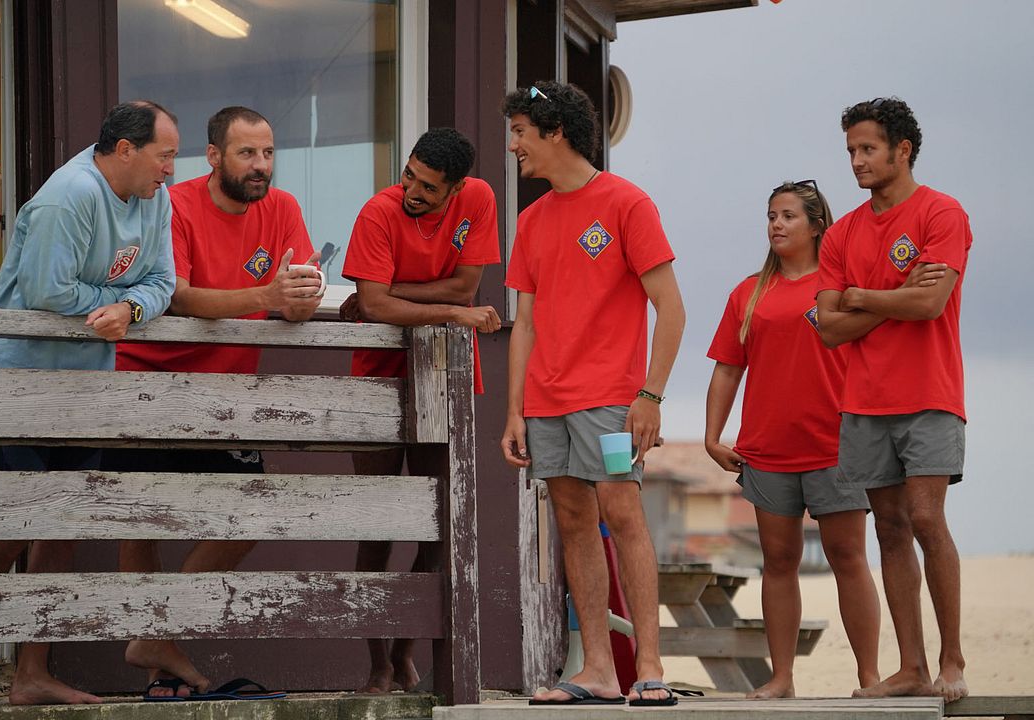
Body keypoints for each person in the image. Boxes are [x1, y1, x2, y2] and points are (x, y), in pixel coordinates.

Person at [0, 100, 179, 706]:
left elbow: (163, 281)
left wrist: (133, 309)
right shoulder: (71, 193)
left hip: (85, 384)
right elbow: (45, 290)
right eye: (164, 155)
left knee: (62, 526)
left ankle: (32, 673)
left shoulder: (156, 198)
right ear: (126, 149)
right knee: (14, 524)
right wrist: (117, 297)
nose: (170, 170)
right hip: (18, 378)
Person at [109, 106, 322, 699]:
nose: (261, 167)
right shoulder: (172, 204)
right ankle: (157, 671)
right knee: (143, 519)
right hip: (151, 379)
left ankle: (157, 633)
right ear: (213, 157)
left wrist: (302, 298)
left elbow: (292, 298)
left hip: (228, 391)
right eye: (247, 154)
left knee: (248, 514)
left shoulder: (283, 210)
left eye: (269, 153)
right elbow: (174, 295)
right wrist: (267, 293)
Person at [500, 81, 686, 707]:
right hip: (547, 404)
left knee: (622, 512)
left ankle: (650, 667)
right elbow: (522, 323)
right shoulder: (530, 219)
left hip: (611, 400)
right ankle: (600, 671)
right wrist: (515, 411)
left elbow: (672, 309)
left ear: (556, 131)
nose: (513, 144)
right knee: (574, 523)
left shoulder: (627, 204)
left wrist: (651, 396)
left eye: (522, 131)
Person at [816, 97, 972, 702]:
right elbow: (828, 328)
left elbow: (929, 305)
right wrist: (888, 295)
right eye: (851, 150)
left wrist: (860, 297)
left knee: (928, 518)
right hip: (863, 400)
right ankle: (910, 666)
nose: (856, 161)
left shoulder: (942, 213)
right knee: (889, 529)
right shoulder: (844, 233)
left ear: (902, 150)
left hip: (931, 393)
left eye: (868, 149)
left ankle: (951, 661)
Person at [339, 126, 501, 693]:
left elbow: (466, 284)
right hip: (375, 382)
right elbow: (382, 305)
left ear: (456, 188)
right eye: (410, 175)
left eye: (429, 188)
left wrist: (393, 293)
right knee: (377, 529)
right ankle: (377, 662)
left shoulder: (479, 198)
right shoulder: (376, 212)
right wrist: (450, 310)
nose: (412, 191)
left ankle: (406, 652)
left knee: (436, 530)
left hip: (444, 382)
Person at [705, 180, 881, 698]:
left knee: (848, 558)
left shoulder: (842, 285)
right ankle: (781, 678)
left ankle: (869, 677)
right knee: (778, 563)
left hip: (838, 445)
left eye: (788, 216)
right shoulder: (749, 292)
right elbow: (726, 369)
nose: (776, 225)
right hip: (767, 450)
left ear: (815, 224)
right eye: (771, 216)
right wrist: (714, 437)